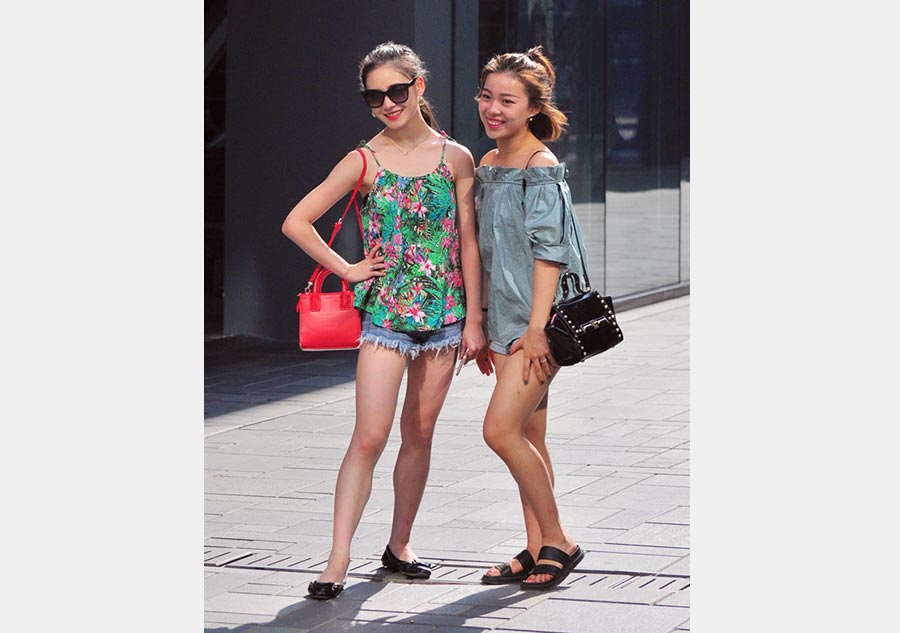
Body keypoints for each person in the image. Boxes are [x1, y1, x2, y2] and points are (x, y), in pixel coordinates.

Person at [281, 42, 486, 600]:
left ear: (419, 87)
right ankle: (337, 558)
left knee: (419, 434)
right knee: (369, 436)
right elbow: (296, 221)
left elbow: (467, 242)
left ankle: (400, 545)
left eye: (397, 91)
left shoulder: (457, 158)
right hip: (385, 321)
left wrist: (474, 320)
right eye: (375, 96)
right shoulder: (363, 160)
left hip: (446, 320)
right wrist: (347, 268)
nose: (387, 103)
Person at [473, 46, 587, 590]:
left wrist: (537, 329)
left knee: (499, 431)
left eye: (507, 100)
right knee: (529, 438)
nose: (493, 108)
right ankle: (537, 545)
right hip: (504, 322)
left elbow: (550, 254)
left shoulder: (539, 167)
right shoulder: (489, 163)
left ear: (532, 107)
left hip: (534, 327)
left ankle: (559, 540)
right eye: (487, 96)